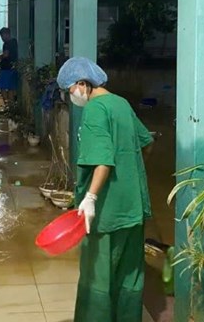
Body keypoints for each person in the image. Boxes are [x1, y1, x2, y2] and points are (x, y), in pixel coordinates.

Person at [56, 56, 154, 322]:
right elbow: (146, 142)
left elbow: (102, 159)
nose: (71, 96)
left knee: (97, 278)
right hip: (133, 207)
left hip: (105, 213)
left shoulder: (95, 110)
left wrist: (90, 197)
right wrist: (129, 172)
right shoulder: (121, 104)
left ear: (81, 83)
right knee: (130, 275)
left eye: (70, 90)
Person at [0, 27, 18, 105]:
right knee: (11, 88)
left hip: (6, 68)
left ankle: (7, 104)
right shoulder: (14, 41)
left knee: (2, 87)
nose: (2, 38)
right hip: (13, 67)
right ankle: (11, 105)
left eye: (2, 36)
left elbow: (5, 55)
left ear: (6, 34)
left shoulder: (6, 43)